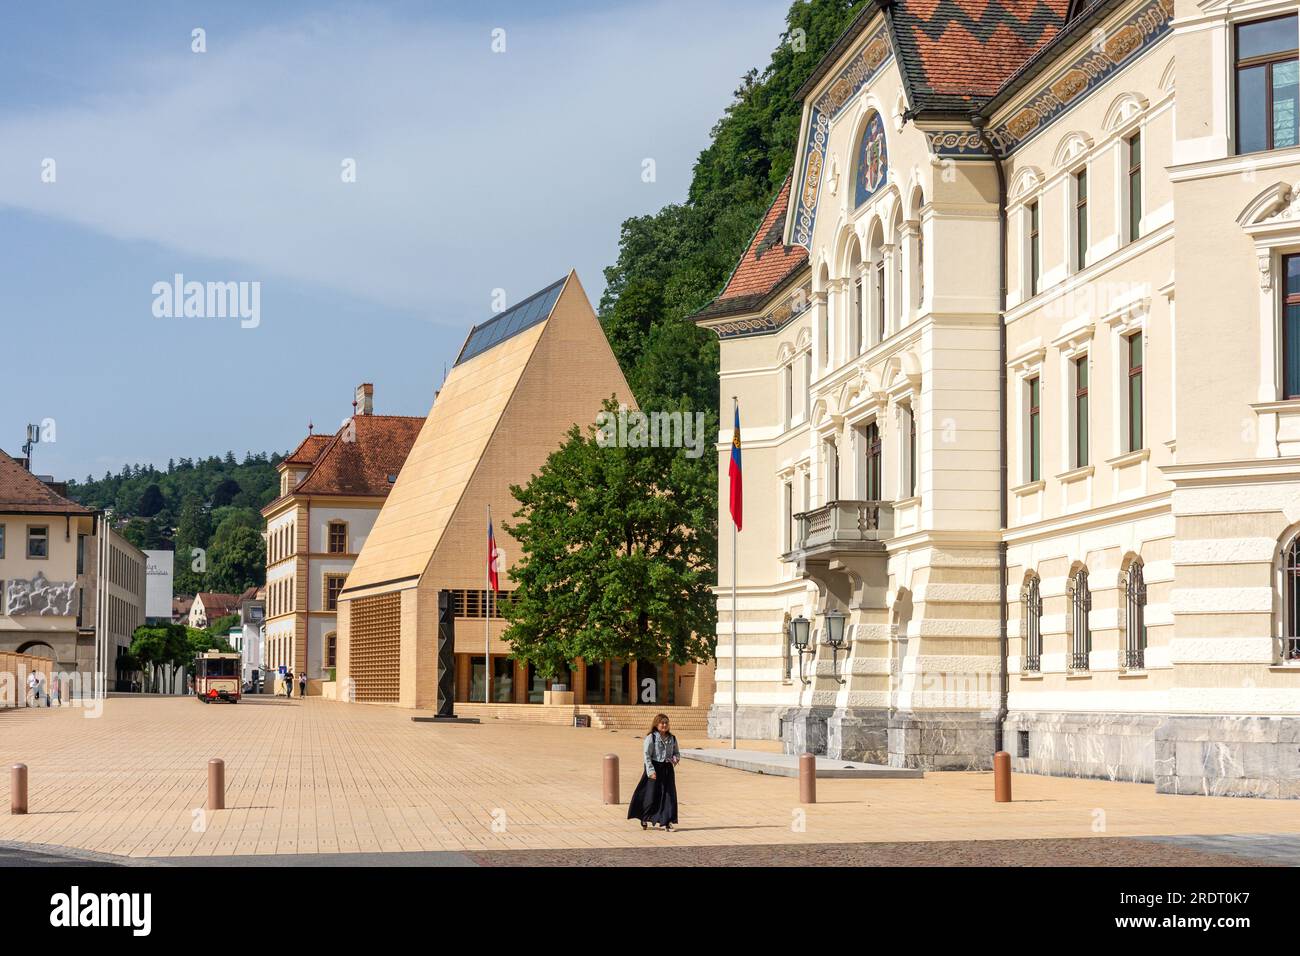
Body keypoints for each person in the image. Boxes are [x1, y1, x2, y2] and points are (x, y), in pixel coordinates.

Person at [627, 713, 681, 832]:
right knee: (650, 795)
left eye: (666, 722)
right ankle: (644, 817)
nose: (664, 725)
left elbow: (677, 753)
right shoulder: (651, 737)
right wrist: (650, 771)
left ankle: (667, 822)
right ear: (656, 724)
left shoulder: (672, 738)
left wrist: (675, 759)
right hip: (654, 769)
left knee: (668, 795)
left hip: (667, 769)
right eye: (662, 723)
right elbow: (646, 755)